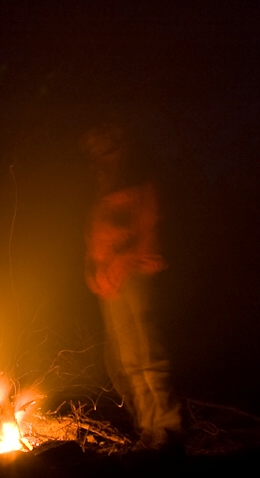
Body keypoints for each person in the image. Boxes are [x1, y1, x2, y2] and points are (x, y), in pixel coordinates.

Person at [82, 124, 182, 450]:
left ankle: (168, 428)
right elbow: (95, 234)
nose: (96, 151)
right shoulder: (103, 183)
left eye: (101, 144)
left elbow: (148, 225)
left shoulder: (137, 176)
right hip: (110, 284)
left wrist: (127, 260)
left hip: (135, 274)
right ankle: (150, 430)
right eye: (92, 148)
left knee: (149, 354)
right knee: (128, 361)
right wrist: (93, 268)